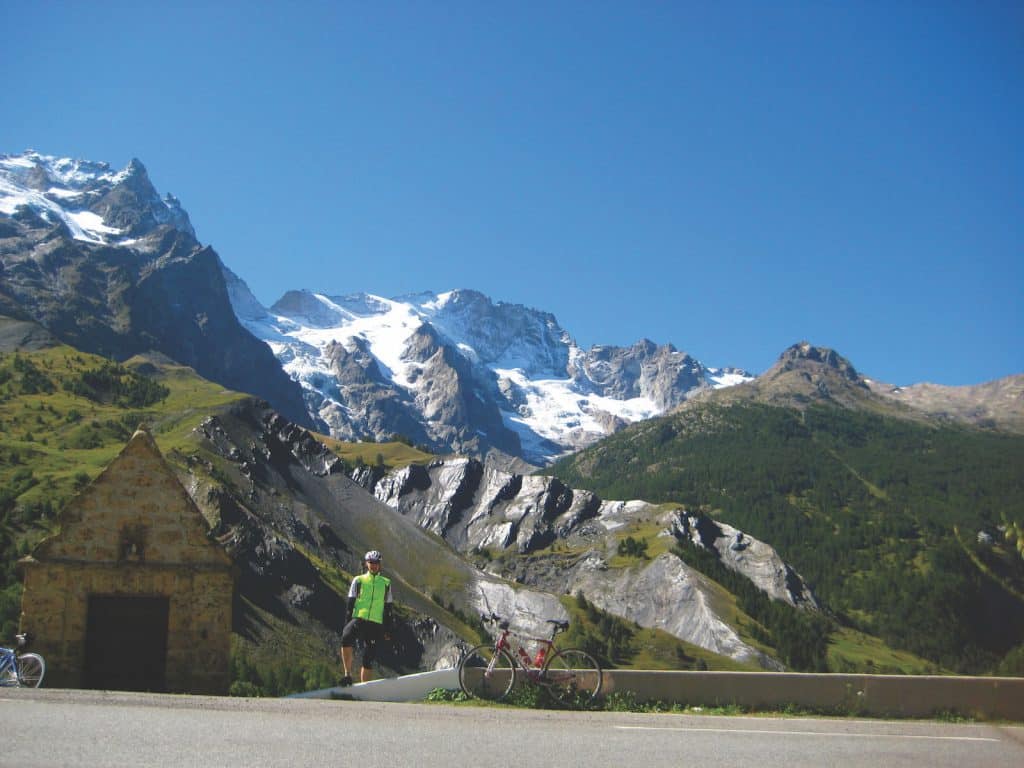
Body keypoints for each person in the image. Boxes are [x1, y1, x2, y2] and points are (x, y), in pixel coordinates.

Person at [339, 549, 394, 685]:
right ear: (366, 564)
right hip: (359, 619)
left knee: (368, 658)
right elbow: (350, 602)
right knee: (346, 638)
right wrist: (347, 622)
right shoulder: (358, 580)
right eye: (371, 562)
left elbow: (388, 608)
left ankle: (364, 688)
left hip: (375, 623)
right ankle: (347, 675)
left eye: (376, 562)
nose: (373, 565)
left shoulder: (386, 583)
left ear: (380, 564)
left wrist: (388, 629)